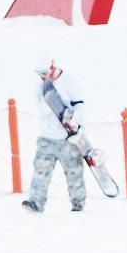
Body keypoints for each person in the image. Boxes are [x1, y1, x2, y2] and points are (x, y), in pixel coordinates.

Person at [22, 60, 88, 213]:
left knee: (74, 173)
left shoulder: (70, 83)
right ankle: (35, 202)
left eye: (44, 73)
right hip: (46, 137)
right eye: (39, 74)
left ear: (52, 67)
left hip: (68, 139)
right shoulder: (41, 87)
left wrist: (74, 121)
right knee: (40, 172)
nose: (42, 77)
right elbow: (42, 110)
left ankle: (78, 204)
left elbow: (80, 106)